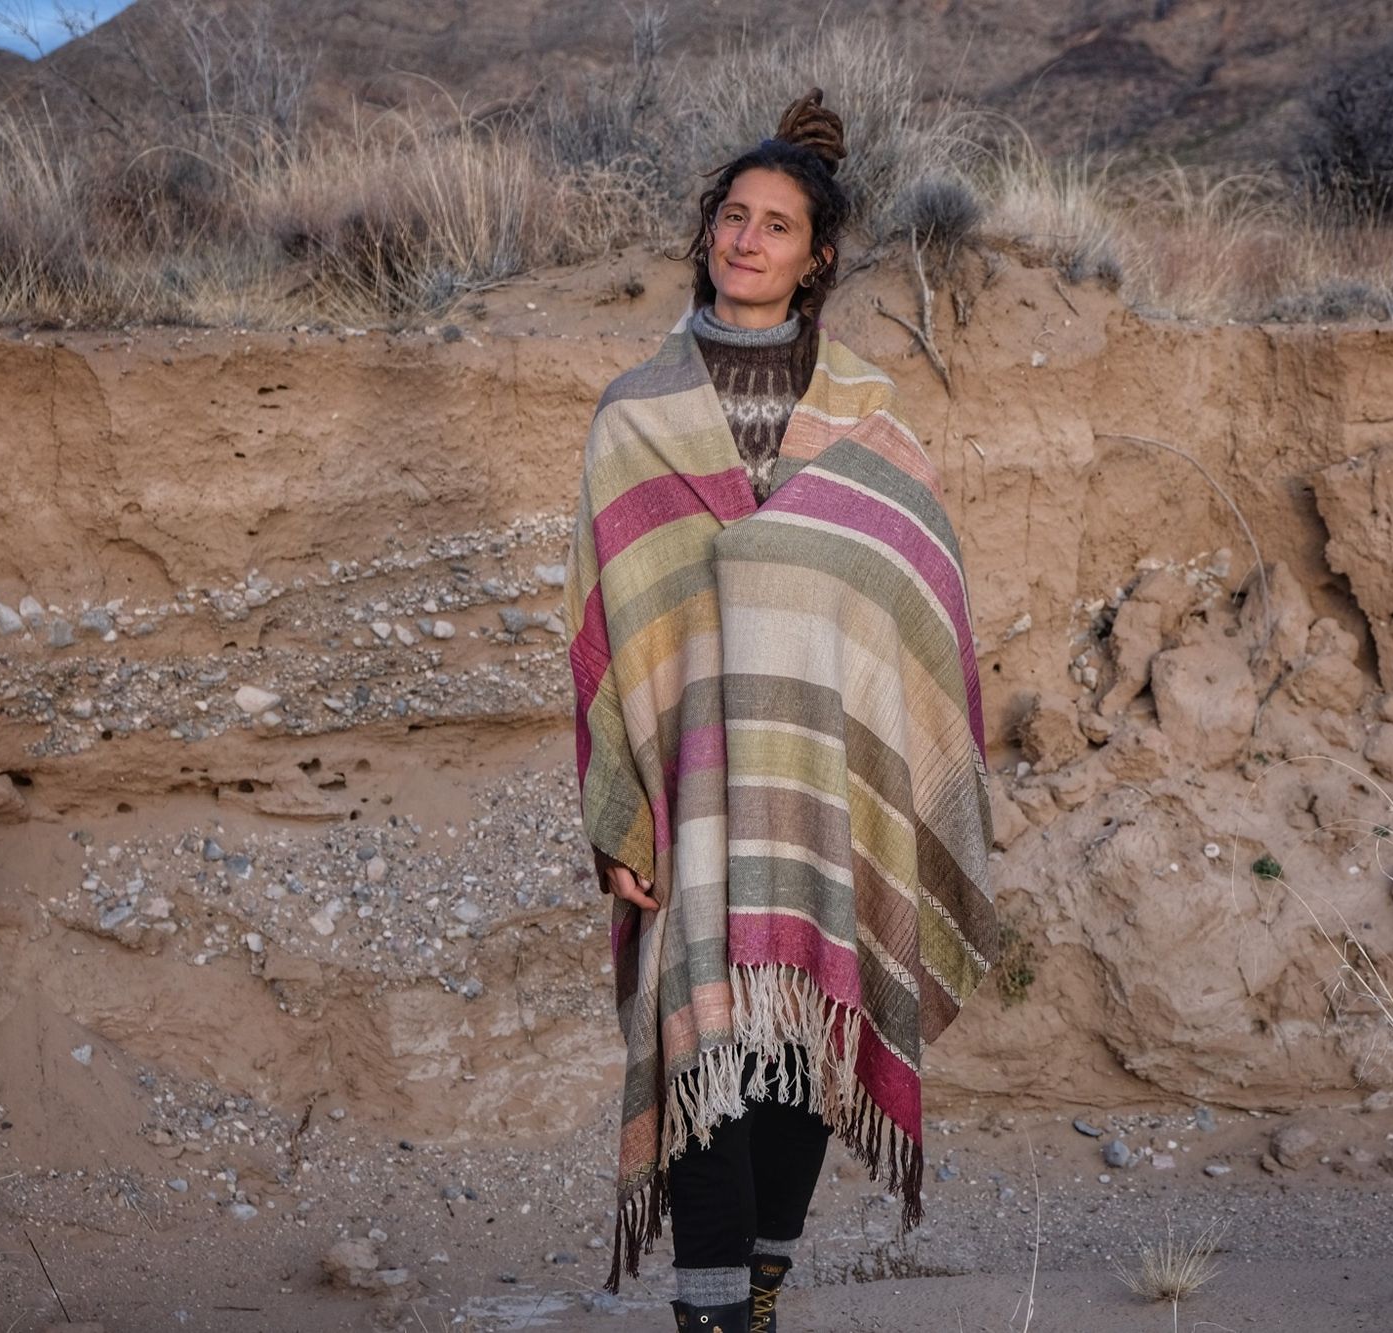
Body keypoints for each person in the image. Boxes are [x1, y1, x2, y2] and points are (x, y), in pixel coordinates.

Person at [562, 88, 997, 1333]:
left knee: (798, 1042)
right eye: (731, 219)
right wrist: (619, 817)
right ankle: (710, 1314)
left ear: (815, 259)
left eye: (776, 225)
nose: (747, 239)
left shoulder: (866, 415)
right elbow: (600, 630)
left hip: (824, 781)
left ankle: (758, 1285)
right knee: (705, 1039)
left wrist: (902, 786)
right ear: (709, 234)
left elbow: (920, 604)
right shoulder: (634, 415)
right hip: (691, 787)